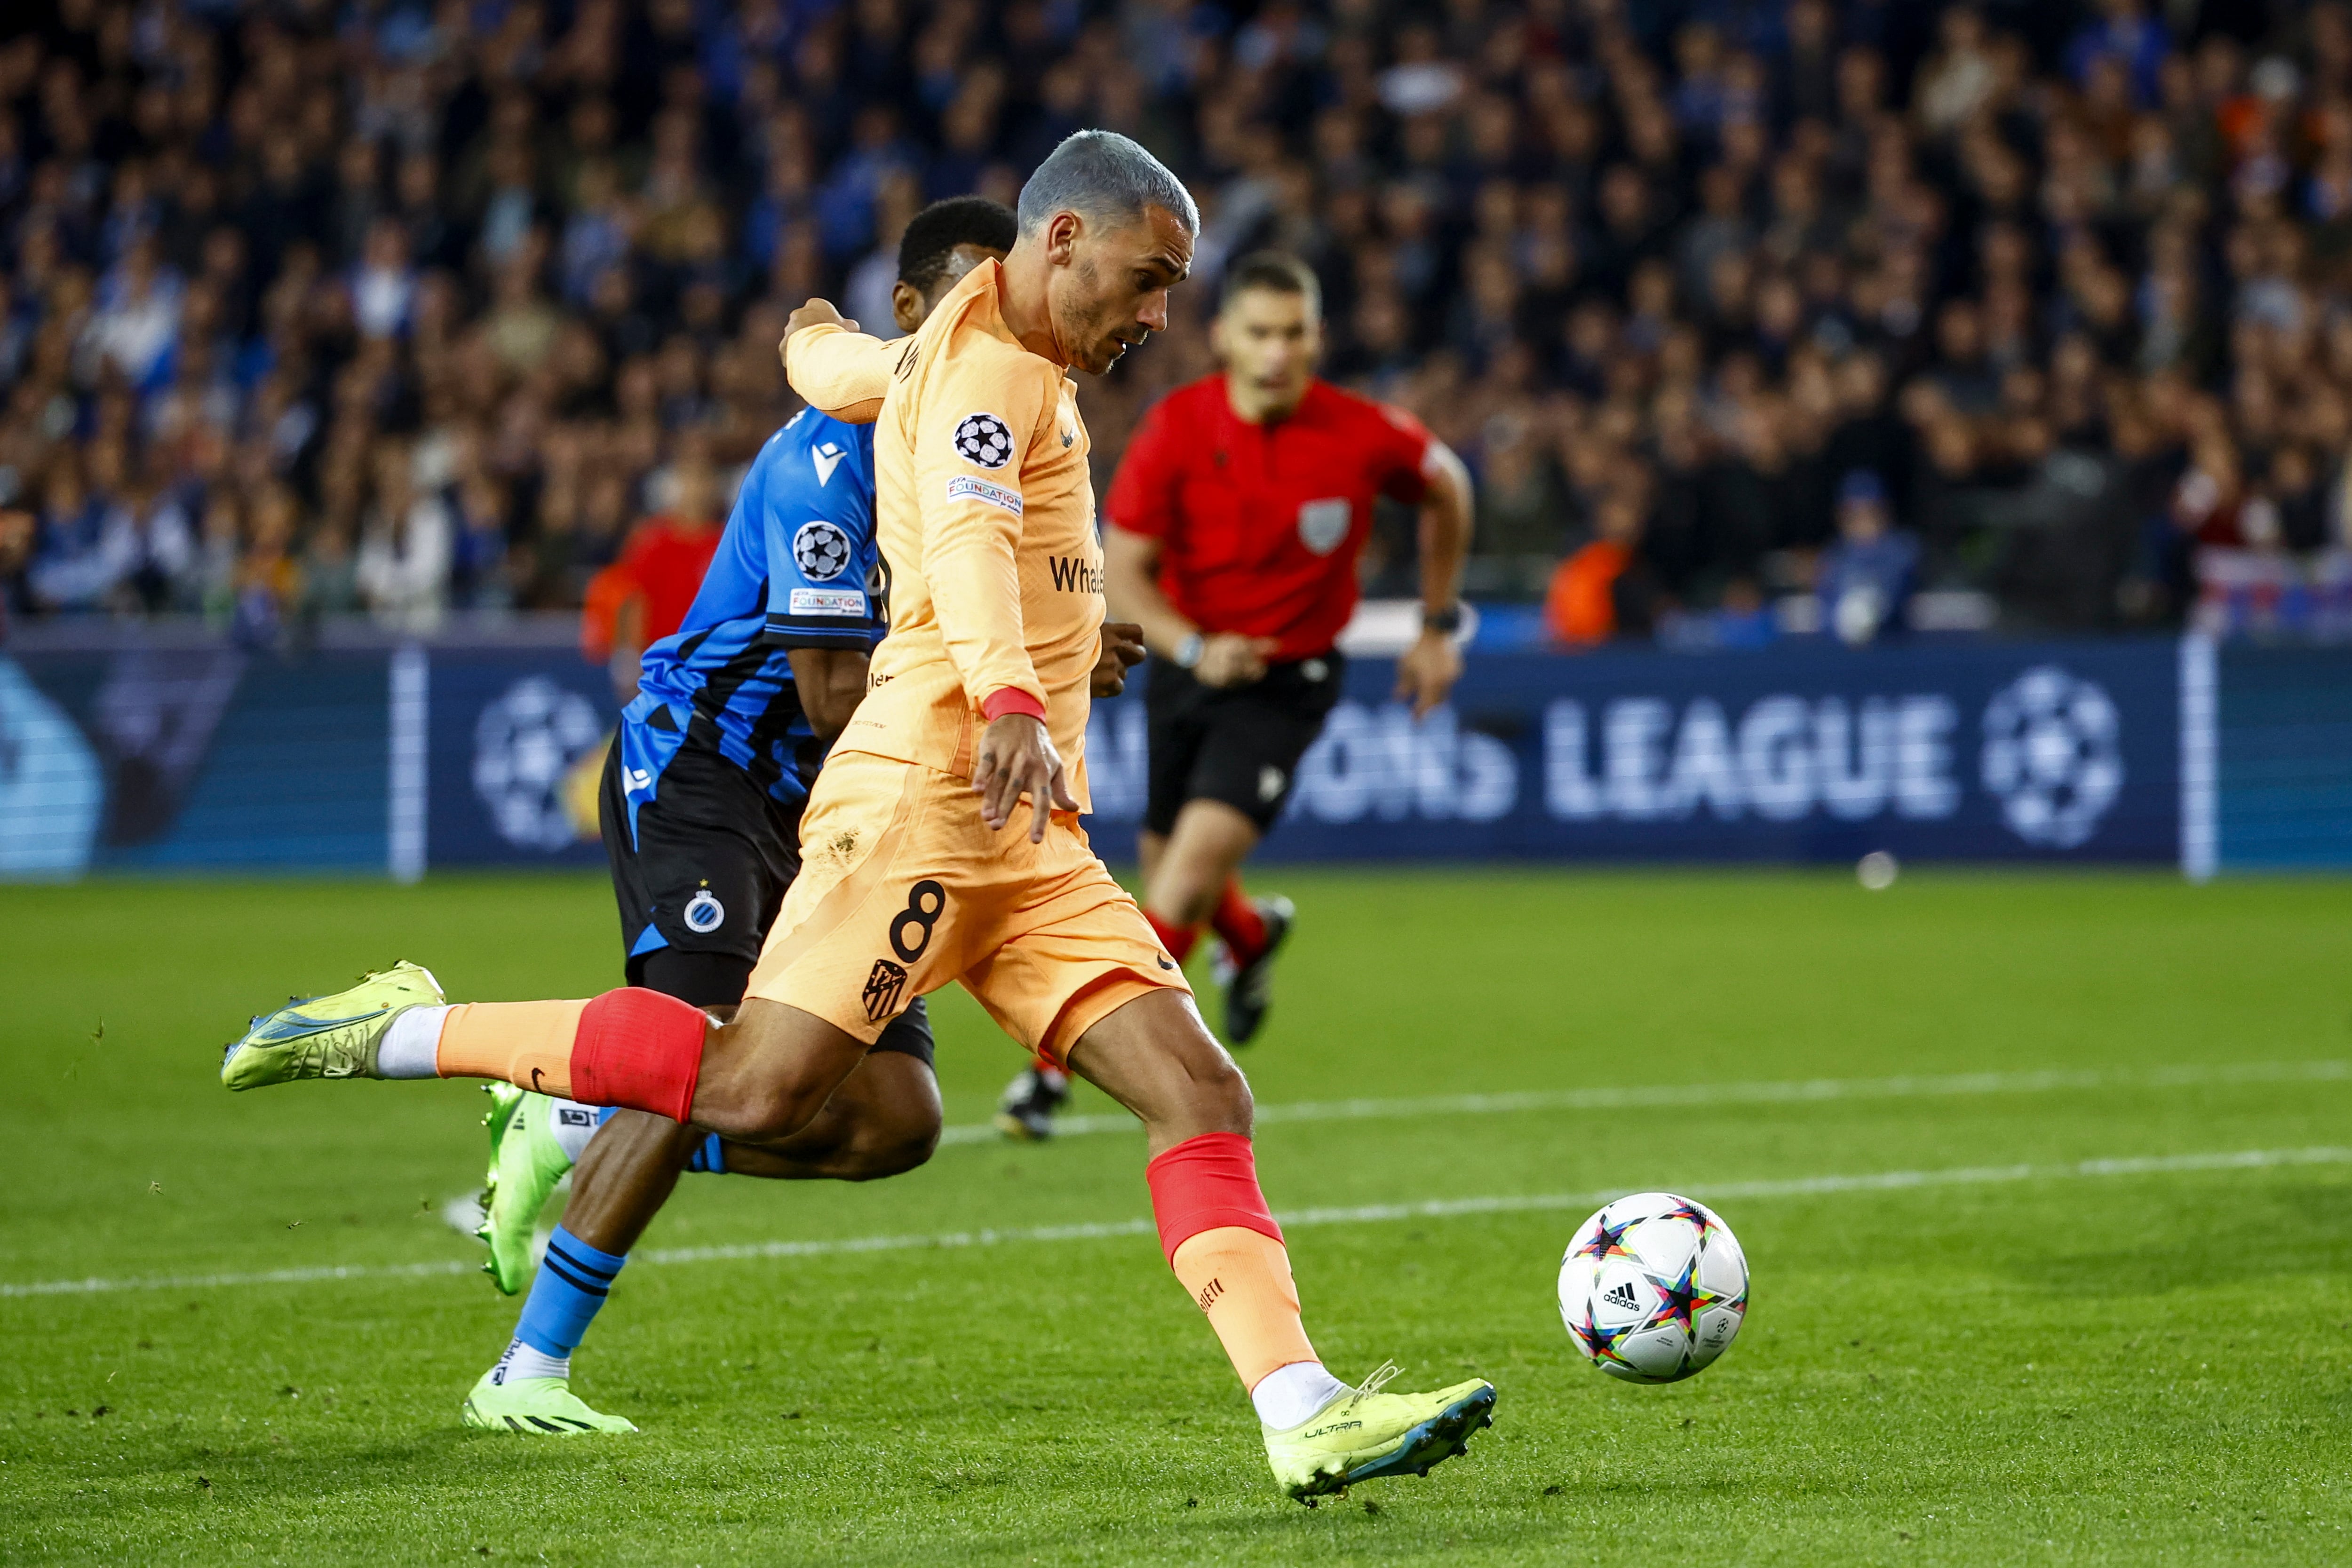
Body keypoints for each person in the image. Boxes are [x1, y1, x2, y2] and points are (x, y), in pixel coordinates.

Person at [220, 129, 1495, 1503]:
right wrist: (1013, 690)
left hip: (1033, 837)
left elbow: (859, 375)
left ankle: (1301, 1409)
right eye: (1146, 280)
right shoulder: (996, 375)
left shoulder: (969, 341)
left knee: (1196, 1088)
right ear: (1059, 240)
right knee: (758, 1085)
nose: (1158, 317)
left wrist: (811, 345)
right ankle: (399, 1029)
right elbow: (957, 537)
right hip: (924, 804)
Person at [448, 196, 1141, 1437]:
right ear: (914, 318)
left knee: (893, 1120)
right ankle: (528, 1370)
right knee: (707, 1029)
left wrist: (1057, 652)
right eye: (977, 306)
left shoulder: (985, 452)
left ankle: (590, 1109)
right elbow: (831, 693)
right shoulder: (829, 454)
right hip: (715, 768)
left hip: (851, 802)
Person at [995, 251, 1473, 1139]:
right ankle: (1249, 940)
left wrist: (1440, 625)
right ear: (1223, 337)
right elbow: (1125, 568)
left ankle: (1047, 1077)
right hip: (1188, 673)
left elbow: (1447, 486)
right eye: (1260, 332)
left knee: (1174, 886)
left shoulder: (1361, 432)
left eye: (1294, 333)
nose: (1278, 352)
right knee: (1180, 870)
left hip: (1286, 684)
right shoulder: (1179, 429)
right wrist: (1193, 647)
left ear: (1317, 337)